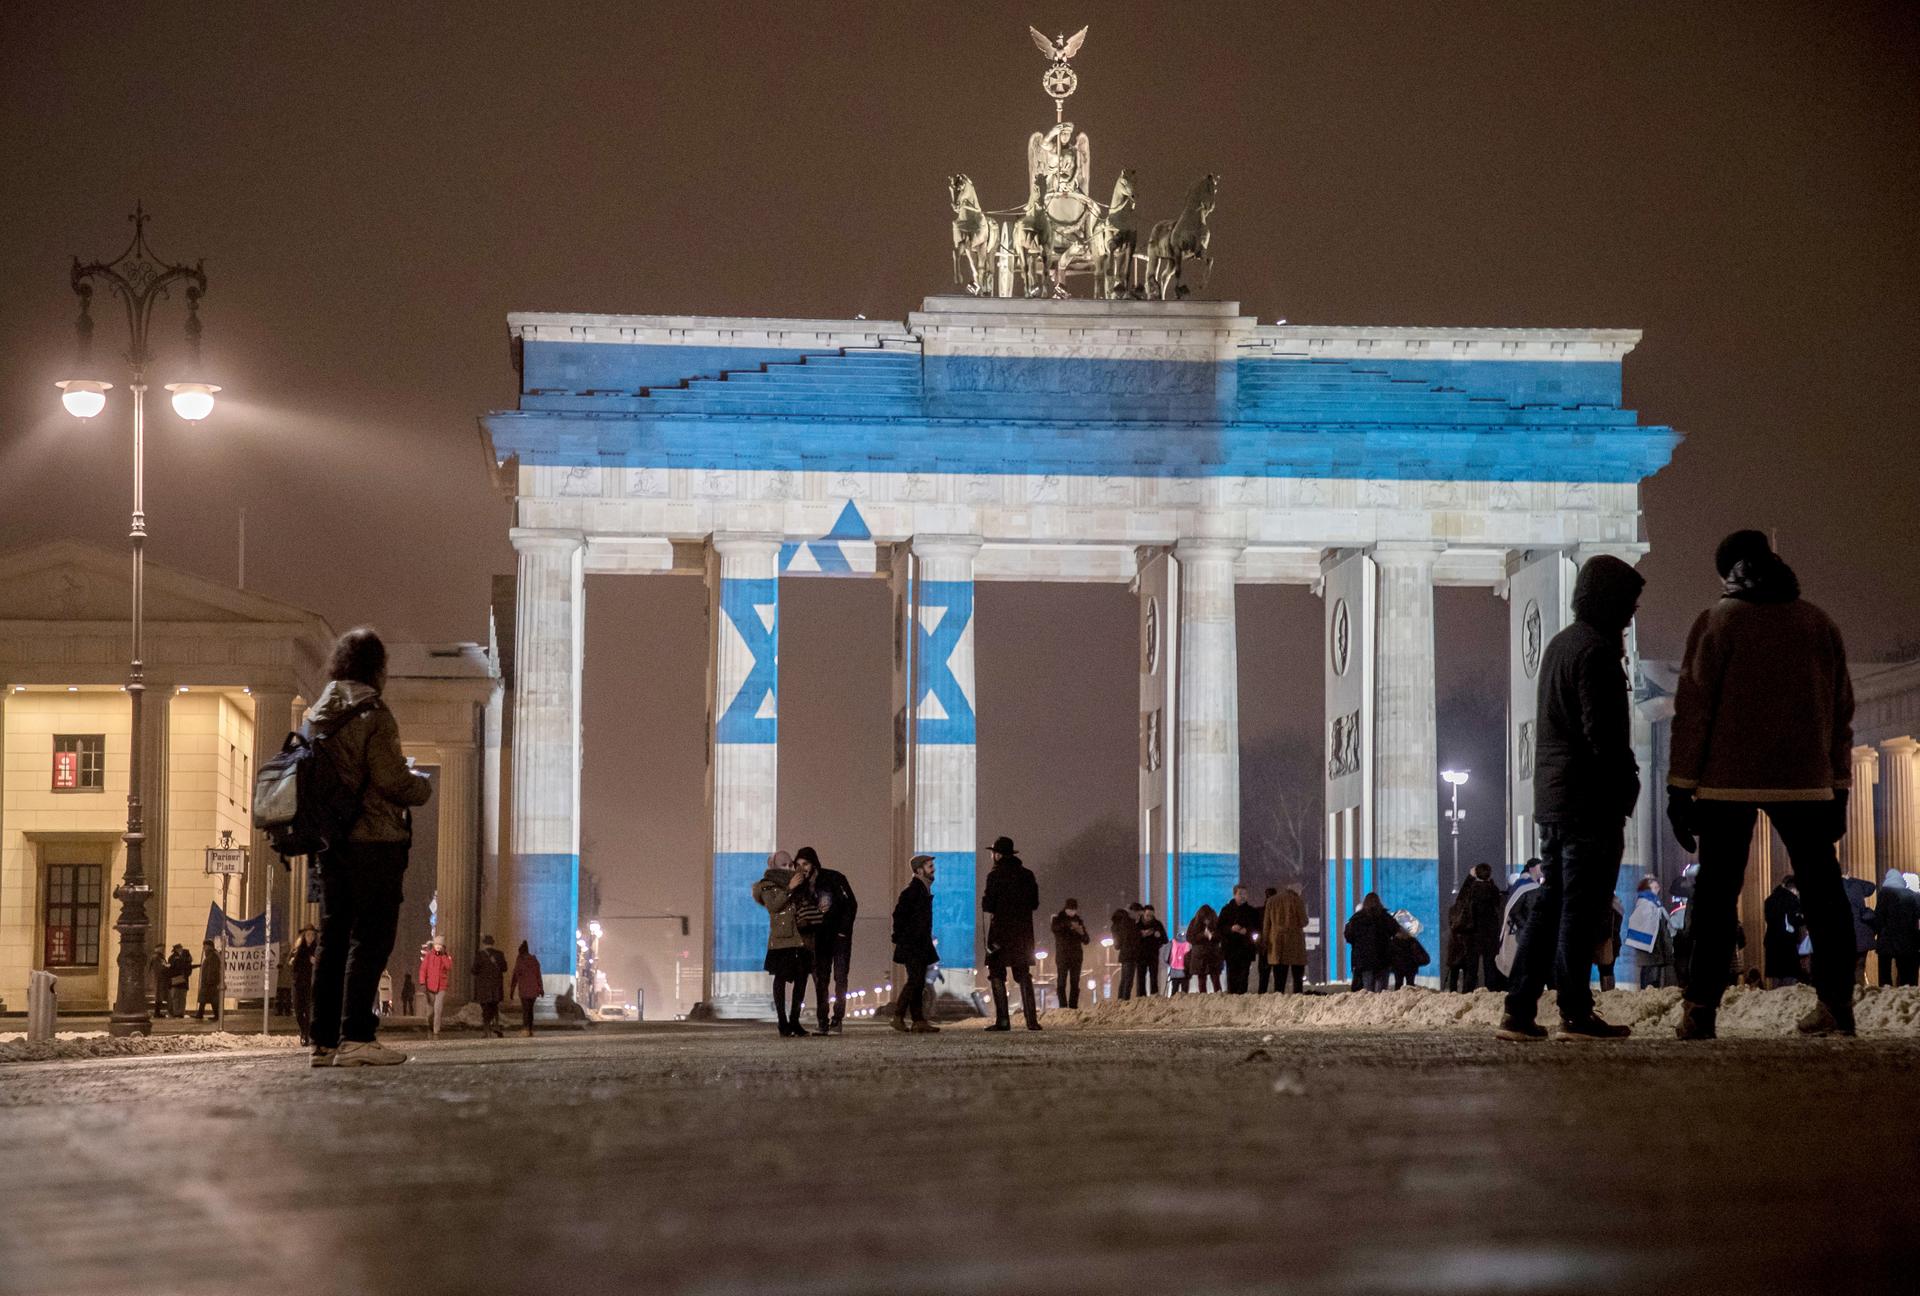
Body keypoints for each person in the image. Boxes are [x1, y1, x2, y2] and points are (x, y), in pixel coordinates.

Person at [1668, 531, 1857, 1039]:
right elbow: (1842, 713)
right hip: (1806, 780)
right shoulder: (1818, 623)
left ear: (1728, 571)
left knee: (1714, 894)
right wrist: (1839, 784)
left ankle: (1701, 1008)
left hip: (1727, 782)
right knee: (1823, 892)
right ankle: (1838, 1004)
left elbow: (1693, 710)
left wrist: (1679, 786)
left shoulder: (1718, 622)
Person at [1497, 553, 1644, 1042]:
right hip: (1588, 803)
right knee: (1582, 909)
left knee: (1552, 904)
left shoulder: (1562, 644)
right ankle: (1576, 1011)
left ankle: (1519, 1010)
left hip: (1558, 800)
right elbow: (1603, 735)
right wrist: (1626, 784)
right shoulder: (1596, 653)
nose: (1630, 615)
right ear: (1608, 601)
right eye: (1627, 604)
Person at [306, 627, 434, 1067]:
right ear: (376, 669)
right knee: (372, 938)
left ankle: (323, 1041)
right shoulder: (374, 714)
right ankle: (357, 1035)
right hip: (374, 840)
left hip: (331, 840)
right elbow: (390, 779)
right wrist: (421, 786)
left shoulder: (316, 714)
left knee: (333, 938)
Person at [796, 846, 858, 1036]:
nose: (802, 868)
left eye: (805, 864)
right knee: (821, 980)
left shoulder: (834, 878)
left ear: (813, 863)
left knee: (840, 978)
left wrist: (843, 931)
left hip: (839, 939)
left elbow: (851, 904)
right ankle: (822, 1021)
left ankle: (837, 1020)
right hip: (818, 939)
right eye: (798, 865)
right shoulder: (800, 886)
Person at [981, 836, 1041, 1030]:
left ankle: (1003, 1020)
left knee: (996, 972)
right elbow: (1034, 903)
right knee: (1023, 973)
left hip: (1000, 933)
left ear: (997, 855)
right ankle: (1032, 1021)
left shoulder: (995, 876)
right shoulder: (1027, 875)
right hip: (1023, 933)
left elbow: (988, 905)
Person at [751, 850, 813, 1037]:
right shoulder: (767, 885)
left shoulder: (800, 882)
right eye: (783, 865)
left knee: (801, 980)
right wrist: (790, 888)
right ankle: (782, 1022)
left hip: (801, 938)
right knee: (780, 980)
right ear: (774, 866)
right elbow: (774, 906)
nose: (788, 868)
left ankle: (795, 1021)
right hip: (782, 940)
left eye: (789, 865)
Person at [890, 854, 939, 1033]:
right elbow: (899, 916)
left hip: (918, 943)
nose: (933, 869)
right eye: (929, 866)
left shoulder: (922, 890)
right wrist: (902, 937)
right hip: (913, 944)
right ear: (919, 870)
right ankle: (898, 1015)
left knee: (917, 982)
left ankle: (918, 1020)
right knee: (915, 981)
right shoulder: (913, 891)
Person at [1452, 864, 1505, 991]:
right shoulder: (1493, 890)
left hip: (1472, 934)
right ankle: (1492, 992)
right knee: (1490, 966)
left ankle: (1468, 991)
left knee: (1471, 968)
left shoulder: (1472, 890)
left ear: (1476, 873)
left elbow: (1460, 900)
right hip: (1490, 935)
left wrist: (1470, 878)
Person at [1494, 859, 1545, 982]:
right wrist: (1525, 926)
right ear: (1532, 869)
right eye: (1540, 867)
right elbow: (1515, 910)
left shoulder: (1536, 886)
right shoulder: (1523, 886)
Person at [1625, 877, 1673, 989]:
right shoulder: (1647, 903)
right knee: (1650, 973)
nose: (1658, 889)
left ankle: (1649, 991)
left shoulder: (1654, 903)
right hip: (1649, 945)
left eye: (1658, 887)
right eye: (1654, 887)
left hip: (1654, 945)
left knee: (1652, 972)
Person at [1344, 893, 1397, 992]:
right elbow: (1395, 930)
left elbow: (1348, 936)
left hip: (1364, 961)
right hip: (1383, 960)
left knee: (1368, 992)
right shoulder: (1385, 917)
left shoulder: (1356, 919)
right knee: (1381, 992)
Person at [1875, 870, 1920, 986]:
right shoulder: (1910, 895)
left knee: (1884, 972)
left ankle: (1885, 994)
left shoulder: (1884, 893)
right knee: (1904, 970)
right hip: (1906, 939)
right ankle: (1903, 991)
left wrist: (1876, 932)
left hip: (1887, 938)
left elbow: (1879, 915)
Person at [1263, 884, 1308, 994]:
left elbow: (1266, 924)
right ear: (1297, 890)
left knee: (1279, 977)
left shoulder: (1271, 901)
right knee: (1297, 977)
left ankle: (1279, 999)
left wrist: (1265, 941)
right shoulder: (1297, 900)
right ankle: (1297, 998)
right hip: (1294, 943)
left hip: (1276, 943)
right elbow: (1304, 921)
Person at [1763, 877, 1807, 988]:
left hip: (1772, 944)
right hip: (1788, 945)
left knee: (1776, 983)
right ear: (1794, 889)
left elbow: (1769, 920)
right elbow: (1795, 920)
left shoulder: (1769, 900)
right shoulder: (1791, 899)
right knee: (1789, 983)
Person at [1218, 885, 1262, 994]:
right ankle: (1232, 998)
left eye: (1245, 894)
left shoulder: (1252, 911)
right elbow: (1219, 928)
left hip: (1245, 949)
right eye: (1240, 894)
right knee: (1232, 976)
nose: (1243, 896)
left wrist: (1247, 931)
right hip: (1230, 948)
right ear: (1234, 895)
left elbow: (1258, 929)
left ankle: (1241, 998)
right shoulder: (1226, 910)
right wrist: (1231, 929)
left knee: (1244, 976)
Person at [1049, 899, 1091, 1009]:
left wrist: (1080, 932)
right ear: (1066, 908)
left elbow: (1086, 940)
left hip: (1076, 956)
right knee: (1061, 982)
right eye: (1071, 909)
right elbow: (1055, 929)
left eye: (1074, 909)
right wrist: (1068, 926)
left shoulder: (1079, 921)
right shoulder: (1058, 919)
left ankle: (1073, 1006)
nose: (1073, 912)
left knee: (1075, 982)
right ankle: (1063, 1006)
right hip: (1063, 955)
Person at [1842, 873, 1879, 986]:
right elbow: (1871, 886)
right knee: (1859, 966)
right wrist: (1852, 879)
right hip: (1861, 937)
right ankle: (1859, 991)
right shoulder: (1855, 887)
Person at [471, 934, 509, 1037]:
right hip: (496, 986)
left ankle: (486, 1030)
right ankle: (496, 1024)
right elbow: (505, 968)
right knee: (494, 1006)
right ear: (493, 943)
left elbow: (474, 970)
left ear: (484, 943)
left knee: (485, 1008)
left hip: (484, 987)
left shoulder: (480, 955)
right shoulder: (500, 954)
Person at [417, 934, 452, 1038]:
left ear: (443, 946)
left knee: (438, 1008)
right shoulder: (429, 956)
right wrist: (422, 982)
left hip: (441, 986)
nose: (438, 946)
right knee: (430, 1010)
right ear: (434, 945)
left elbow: (449, 967)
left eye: (440, 945)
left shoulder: (446, 956)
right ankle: (430, 1025)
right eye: (436, 944)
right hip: (430, 986)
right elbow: (423, 969)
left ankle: (436, 1030)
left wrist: (444, 956)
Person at [289, 925, 318, 1046]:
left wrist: (316, 961)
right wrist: (292, 960)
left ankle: (306, 1035)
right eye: (308, 934)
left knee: (308, 1010)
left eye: (312, 935)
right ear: (304, 935)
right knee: (298, 1010)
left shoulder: (317, 949)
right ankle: (303, 1030)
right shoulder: (297, 949)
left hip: (310, 984)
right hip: (298, 983)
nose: (310, 937)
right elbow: (291, 962)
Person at [1184, 903, 1222, 994]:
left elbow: (1221, 936)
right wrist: (1202, 935)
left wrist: (1212, 936)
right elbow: (1189, 937)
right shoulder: (1194, 923)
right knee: (1202, 980)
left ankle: (1219, 998)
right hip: (1200, 956)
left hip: (1212, 954)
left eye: (1208, 919)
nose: (1206, 921)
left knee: (1215, 979)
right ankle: (1203, 998)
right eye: (1204, 919)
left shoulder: (1216, 922)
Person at [1388, 912, 1431, 989]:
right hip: (1411, 966)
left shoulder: (1394, 941)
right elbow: (1421, 954)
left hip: (1398, 967)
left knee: (1398, 984)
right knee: (1410, 985)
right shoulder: (1412, 940)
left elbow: (1391, 954)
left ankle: (1398, 999)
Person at [511, 940, 544, 1036]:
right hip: (534, 990)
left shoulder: (520, 960)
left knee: (525, 1010)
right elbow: (538, 975)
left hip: (524, 990)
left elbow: (515, 976)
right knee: (530, 1010)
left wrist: (512, 990)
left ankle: (525, 1029)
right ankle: (530, 1028)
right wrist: (541, 988)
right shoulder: (534, 960)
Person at [1136, 904, 1169, 997]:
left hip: (1153, 954)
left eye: (1151, 915)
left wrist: (1159, 936)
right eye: (1147, 915)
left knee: (1154, 976)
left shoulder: (1157, 924)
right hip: (1141, 955)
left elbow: (1165, 940)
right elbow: (1133, 940)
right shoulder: (1138, 924)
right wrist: (1142, 935)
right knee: (1141, 977)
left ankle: (1154, 995)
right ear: (1143, 914)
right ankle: (1141, 996)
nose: (1149, 917)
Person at [1111, 907, 1142, 1000]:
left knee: (1124, 979)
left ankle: (1120, 999)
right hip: (1131, 955)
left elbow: (1117, 946)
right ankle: (1125, 999)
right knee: (1128, 980)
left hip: (1123, 955)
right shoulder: (1131, 925)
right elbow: (1136, 939)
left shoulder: (1115, 927)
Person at [1595, 895, 1624, 992]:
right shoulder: (1617, 905)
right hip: (1609, 941)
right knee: (1607, 970)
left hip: (1606, 942)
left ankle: (1608, 995)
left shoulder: (1609, 905)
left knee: (1606, 970)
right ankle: (1608, 996)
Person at [1255, 888, 1280, 992]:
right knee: (1278, 975)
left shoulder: (1260, 911)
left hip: (1265, 945)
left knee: (1264, 975)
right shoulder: (1279, 911)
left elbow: (1256, 928)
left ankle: (1262, 994)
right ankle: (1278, 995)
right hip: (1275, 945)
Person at [195, 941, 223, 1022]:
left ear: (209, 946)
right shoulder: (210, 955)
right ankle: (200, 1014)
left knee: (211, 999)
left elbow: (212, 969)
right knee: (206, 998)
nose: (203, 948)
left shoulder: (212, 956)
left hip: (210, 981)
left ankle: (215, 1015)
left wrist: (209, 979)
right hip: (208, 981)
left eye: (205, 946)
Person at [166, 944, 193, 1018]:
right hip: (178, 981)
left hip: (179, 981)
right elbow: (172, 968)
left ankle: (179, 1012)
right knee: (178, 997)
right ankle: (177, 1012)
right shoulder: (173, 958)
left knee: (180, 997)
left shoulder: (185, 957)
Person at [149, 947, 170, 1018]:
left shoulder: (159, 957)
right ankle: (157, 1012)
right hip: (159, 978)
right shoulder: (157, 958)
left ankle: (157, 1012)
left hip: (159, 978)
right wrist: (167, 967)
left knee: (159, 996)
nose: (163, 950)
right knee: (158, 996)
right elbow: (160, 968)